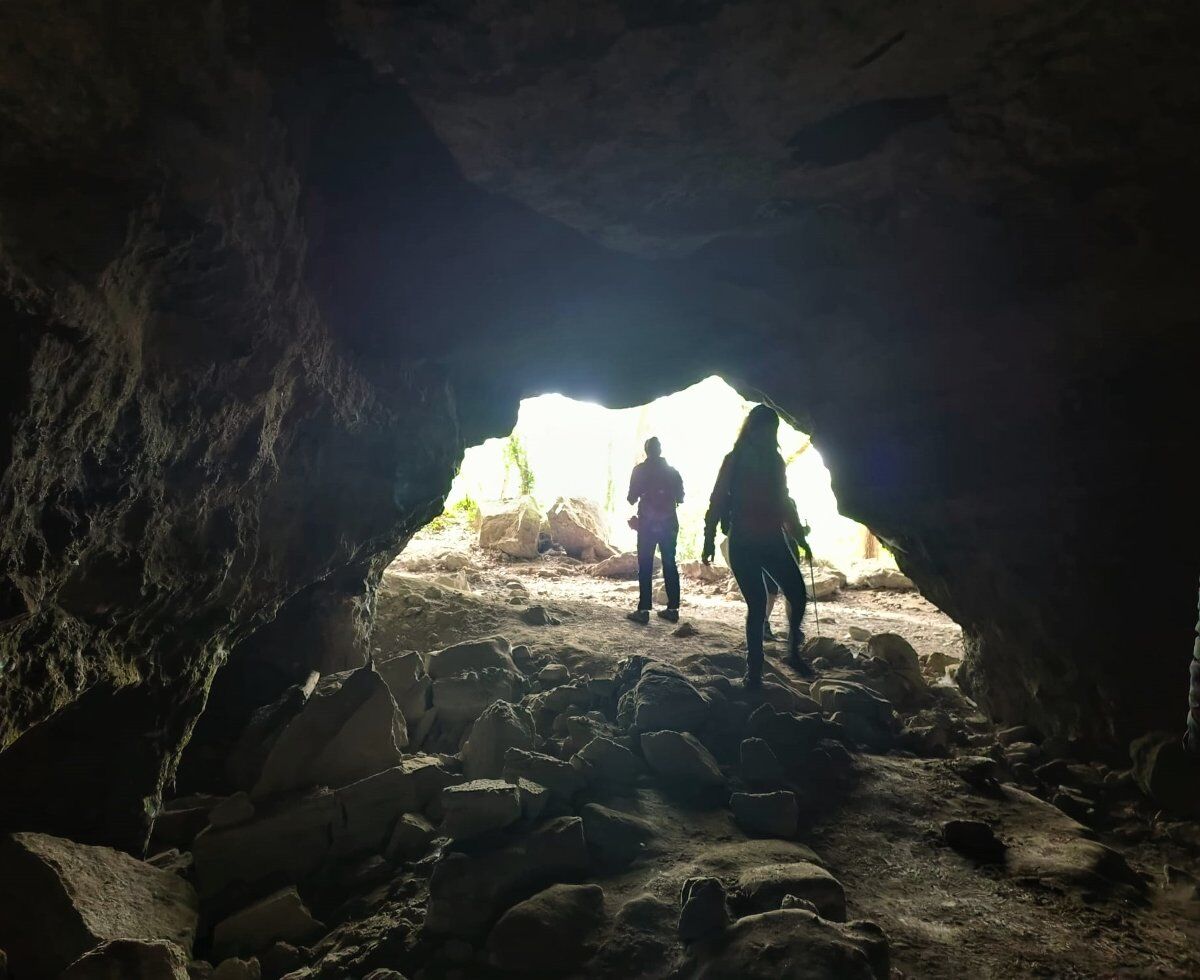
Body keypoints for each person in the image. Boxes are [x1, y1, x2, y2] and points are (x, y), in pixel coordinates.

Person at [702, 404, 812, 687]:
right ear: (753, 428)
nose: (768, 434)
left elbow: (784, 501)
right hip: (745, 541)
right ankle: (754, 670)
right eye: (765, 428)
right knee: (758, 603)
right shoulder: (735, 459)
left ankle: (792, 653)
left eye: (771, 430)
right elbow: (717, 498)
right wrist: (708, 538)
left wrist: (799, 537)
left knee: (797, 593)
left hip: (770, 539)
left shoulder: (774, 461)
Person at [626, 436, 684, 624]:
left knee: (645, 565)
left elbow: (631, 498)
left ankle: (643, 610)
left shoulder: (640, 471)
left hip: (647, 525)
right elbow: (680, 498)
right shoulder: (673, 472)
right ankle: (673, 609)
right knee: (669, 564)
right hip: (669, 523)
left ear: (646, 451)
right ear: (660, 450)